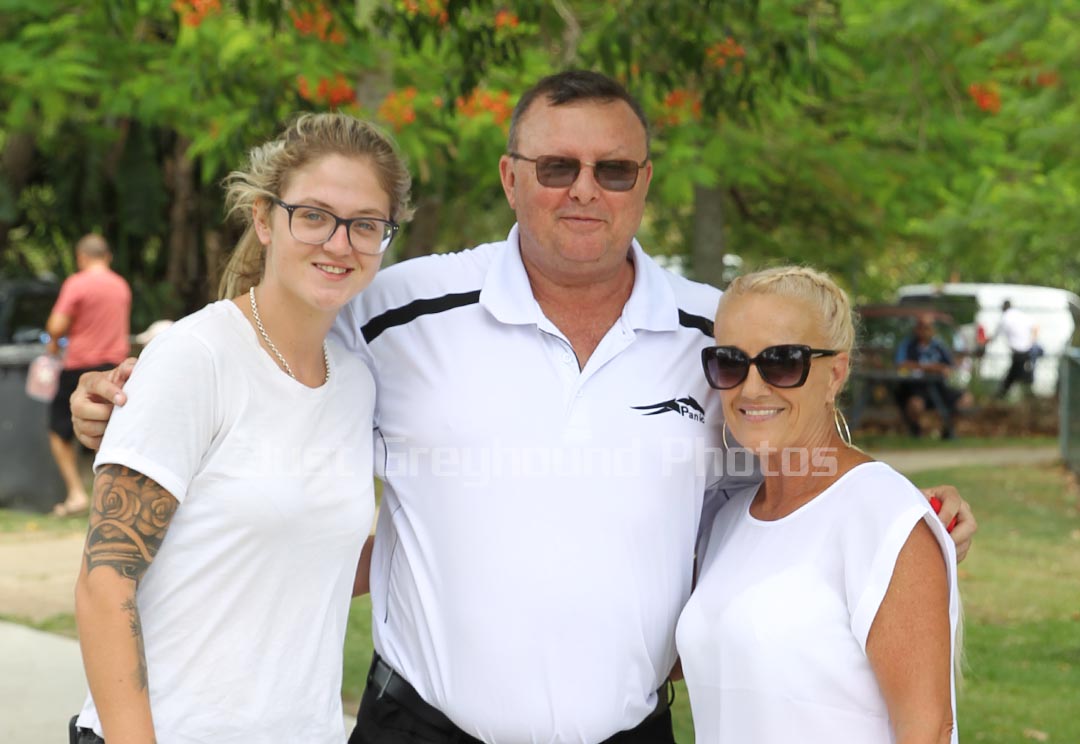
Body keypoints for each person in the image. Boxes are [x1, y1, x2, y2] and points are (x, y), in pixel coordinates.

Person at [70, 71, 976, 744]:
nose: (584, 189)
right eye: (556, 166)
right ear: (510, 178)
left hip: (629, 731)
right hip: (420, 727)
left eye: (612, 170)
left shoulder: (715, 334)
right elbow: (267, 344)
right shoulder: (399, 310)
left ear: (644, 182)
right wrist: (123, 391)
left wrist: (898, 518)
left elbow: (796, 424)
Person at [70, 112, 413, 744]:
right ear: (264, 219)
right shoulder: (197, 357)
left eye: (365, 224)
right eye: (314, 215)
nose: (339, 244)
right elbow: (104, 584)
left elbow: (311, 561)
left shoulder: (356, 383)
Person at [678, 266, 959, 743]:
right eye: (730, 362)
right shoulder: (727, 521)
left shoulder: (883, 515)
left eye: (782, 362)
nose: (751, 388)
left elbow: (929, 729)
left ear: (836, 374)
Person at [44, 233, 131, 516]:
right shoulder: (120, 286)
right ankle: (110, 498)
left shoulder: (77, 283)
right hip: (115, 371)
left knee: (59, 431)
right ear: (108, 257)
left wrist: (54, 342)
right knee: (110, 433)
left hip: (79, 367)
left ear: (81, 257)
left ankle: (76, 494)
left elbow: (56, 326)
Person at [894, 313, 972, 439]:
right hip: (917, 387)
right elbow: (900, 364)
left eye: (928, 327)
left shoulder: (939, 346)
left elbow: (951, 366)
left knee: (966, 400)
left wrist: (951, 367)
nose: (925, 330)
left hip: (940, 386)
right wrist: (930, 368)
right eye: (921, 326)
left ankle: (948, 431)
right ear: (916, 328)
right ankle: (916, 432)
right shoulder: (908, 345)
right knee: (915, 404)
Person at [994, 299, 1038, 398]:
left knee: (1015, 373)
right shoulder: (1020, 314)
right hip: (1027, 349)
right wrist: (1031, 342)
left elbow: (995, 335)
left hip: (1019, 351)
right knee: (1017, 372)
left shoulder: (1005, 318)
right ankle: (1027, 392)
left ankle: (1003, 393)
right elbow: (1035, 326)